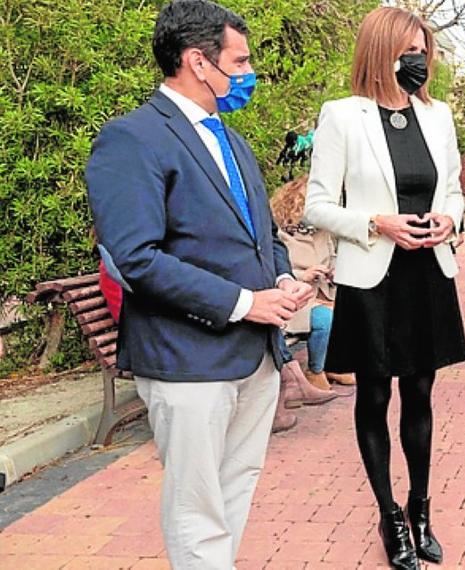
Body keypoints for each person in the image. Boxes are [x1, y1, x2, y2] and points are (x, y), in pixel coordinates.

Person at [85, 2, 314, 568]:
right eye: (240, 60)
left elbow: (261, 234)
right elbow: (135, 258)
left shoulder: (231, 141)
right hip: (187, 357)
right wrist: (243, 303)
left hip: (254, 357)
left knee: (234, 490)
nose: (247, 72)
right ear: (198, 62)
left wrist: (282, 278)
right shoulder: (132, 139)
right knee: (197, 507)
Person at [303, 7, 464, 569]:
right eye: (408, 52)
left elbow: (455, 192)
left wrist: (449, 219)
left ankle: (421, 508)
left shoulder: (438, 115)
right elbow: (317, 204)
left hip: (428, 272)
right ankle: (389, 514)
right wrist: (377, 223)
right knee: (374, 396)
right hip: (372, 275)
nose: (418, 61)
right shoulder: (342, 116)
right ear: (381, 53)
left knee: (420, 394)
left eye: (423, 51)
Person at [271, 174, 356, 388]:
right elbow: (274, 270)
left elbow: (332, 257)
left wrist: (334, 272)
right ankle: (315, 370)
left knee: (352, 309)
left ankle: (334, 365)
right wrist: (303, 275)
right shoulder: (280, 235)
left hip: (324, 292)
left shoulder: (323, 232)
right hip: (297, 299)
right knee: (325, 320)